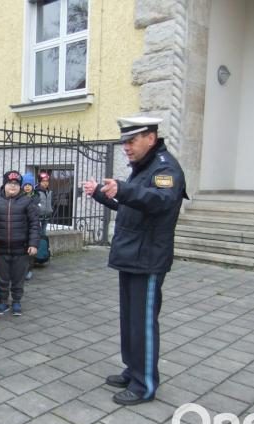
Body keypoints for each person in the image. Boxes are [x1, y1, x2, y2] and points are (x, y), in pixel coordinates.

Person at [81, 116, 188, 406]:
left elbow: (160, 201)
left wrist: (124, 188)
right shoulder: (144, 167)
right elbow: (131, 204)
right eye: (124, 142)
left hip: (148, 258)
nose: (126, 147)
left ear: (150, 138)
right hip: (131, 254)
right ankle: (133, 370)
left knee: (143, 323)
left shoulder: (165, 167)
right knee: (130, 320)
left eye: (131, 141)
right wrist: (101, 194)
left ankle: (145, 385)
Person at [0, 170, 40, 316]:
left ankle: (17, 301)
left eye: (16, 184)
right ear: (4, 184)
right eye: (10, 183)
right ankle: (3, 301)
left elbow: (34, 224)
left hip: (21, 249)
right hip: (0, 248)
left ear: (20, 186)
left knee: (18, 277)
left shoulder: (27, 202)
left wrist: (33, 244)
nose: (12, 186)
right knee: (2, 277)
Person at [21, 172, 40, 281]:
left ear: (33, 186)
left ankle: (29, 269)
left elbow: (37, 212)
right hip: (23, 227)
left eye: (29, 185)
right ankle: (22, 270)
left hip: (31, 227)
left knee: (30, 251)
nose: (27, 187)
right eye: (25, 185)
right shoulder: (20, 197)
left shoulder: (36, 197)